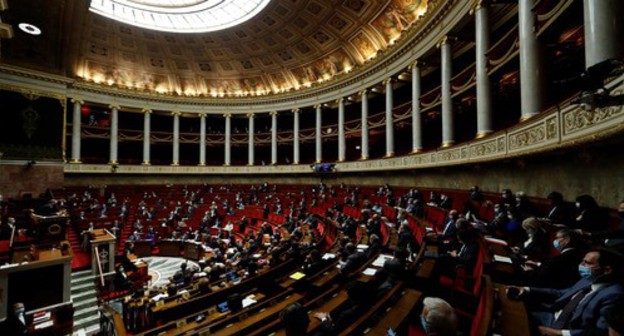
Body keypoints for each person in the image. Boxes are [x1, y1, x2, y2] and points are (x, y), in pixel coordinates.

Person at [507, 249, 624, 336]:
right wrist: (527, 290)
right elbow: (561, 293)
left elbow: (601, 332)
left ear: (607, 270)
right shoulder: (588, 279)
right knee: (506, 311)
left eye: (587, 263)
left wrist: (560, 333)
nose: (581, 265)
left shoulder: (614, 295)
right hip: (550, 316)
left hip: (562, 330)